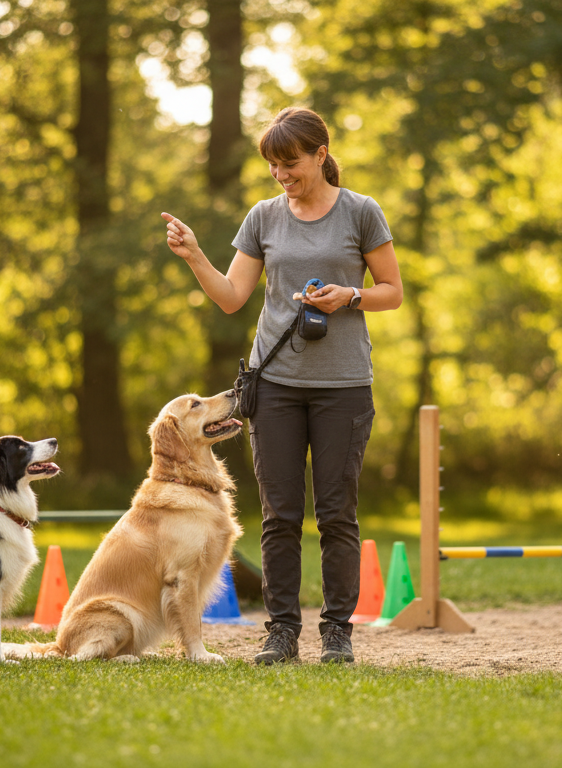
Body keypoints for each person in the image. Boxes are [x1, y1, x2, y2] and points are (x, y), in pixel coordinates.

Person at [160, 107, 402, 664]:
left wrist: (350, 296)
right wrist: (195, 254)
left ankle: (337, 633)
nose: (281, 174)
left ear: (321, 154)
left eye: (290, 163)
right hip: (275, 388)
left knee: (337, 512)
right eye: (273, 164)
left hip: (343, 385)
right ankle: (283, 633)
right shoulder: (264, 217)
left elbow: (392, 290)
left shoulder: (362, 212)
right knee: (279, 516)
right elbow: (231, 298)